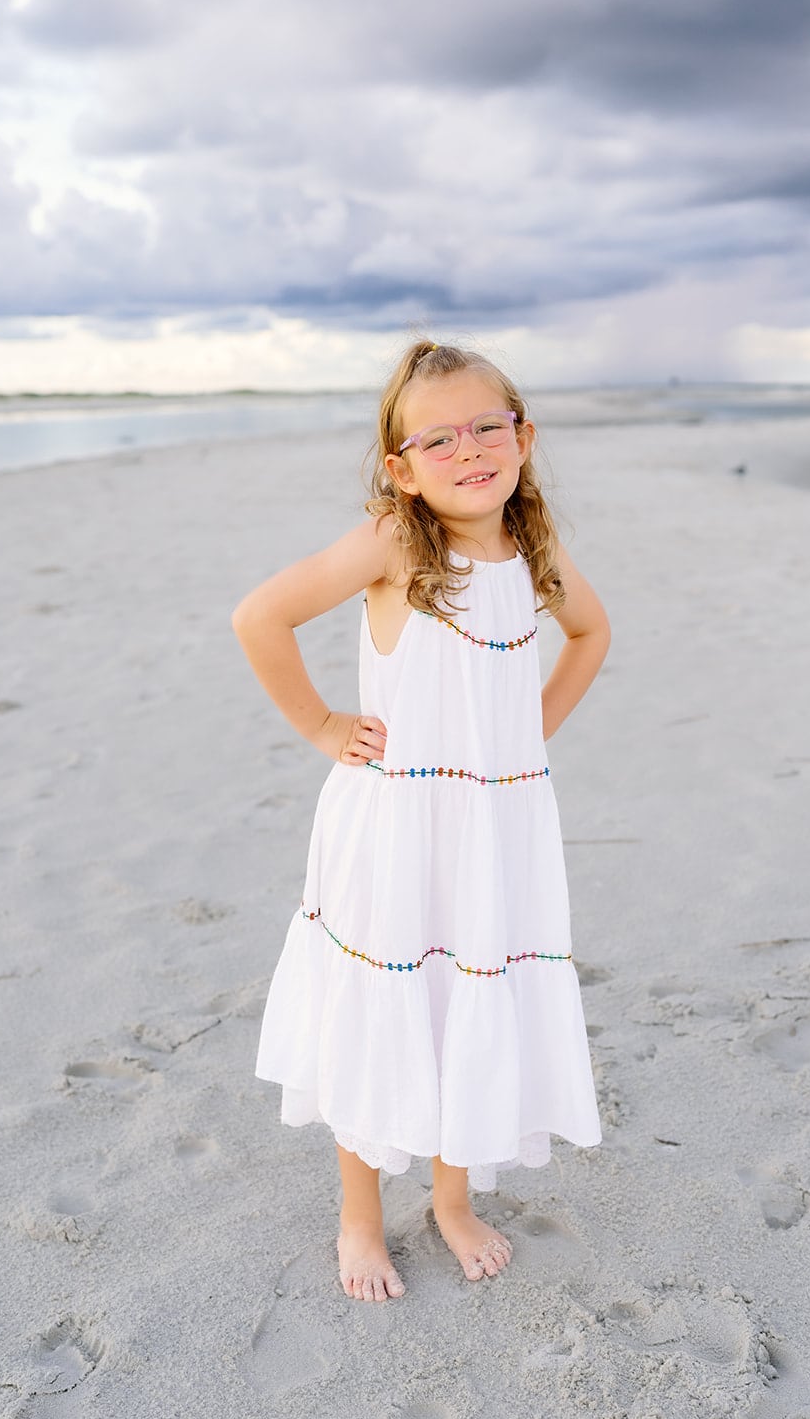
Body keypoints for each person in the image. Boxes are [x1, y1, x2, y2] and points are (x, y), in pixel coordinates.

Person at [231, 339, 611, 1303]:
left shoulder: (532, 546)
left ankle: (450, 1199)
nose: (470, 448)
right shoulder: (397, 543)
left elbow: (591, 632)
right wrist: (322, 722)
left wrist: (525, 738)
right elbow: (260, 616)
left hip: (495, 828)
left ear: (523, 435)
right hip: (395, 822)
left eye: (488, 426)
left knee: (466, 993)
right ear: (400, 468)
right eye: (437, 438)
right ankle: (361, 1219)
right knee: (388, 1001)